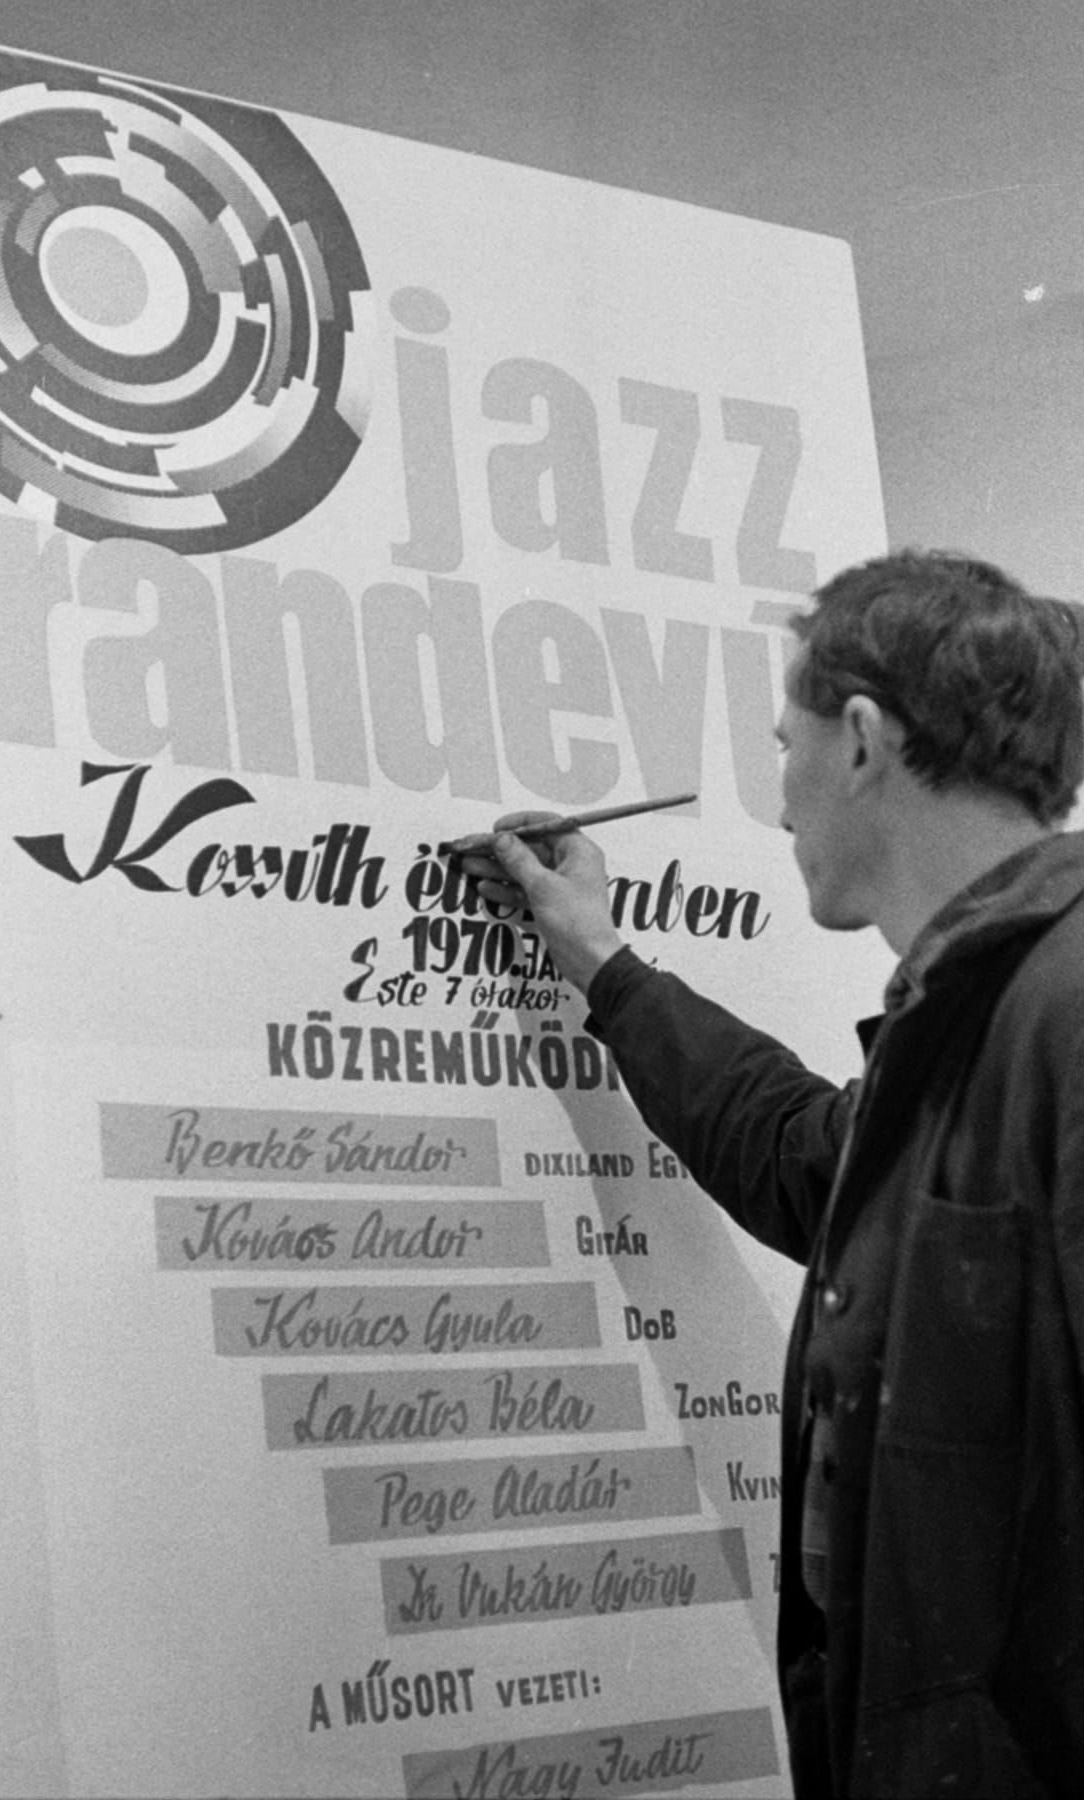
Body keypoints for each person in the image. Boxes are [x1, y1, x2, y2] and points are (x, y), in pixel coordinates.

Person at [461, 550, 1084, 1799]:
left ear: (860, 741)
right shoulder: (971, 1021)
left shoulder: (1065, 1014)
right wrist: (600, 959)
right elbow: (804, 1156)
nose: (782, 797)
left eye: (784, 744)